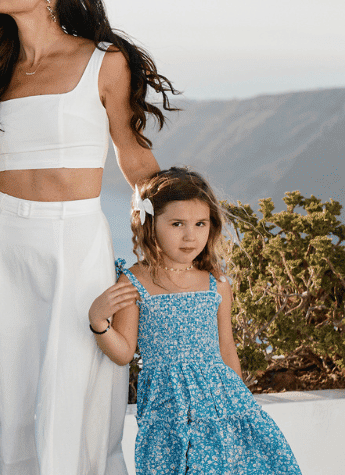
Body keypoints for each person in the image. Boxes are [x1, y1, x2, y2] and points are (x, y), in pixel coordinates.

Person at [0, 0, 179, 474]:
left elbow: (133, 155)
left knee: (70, 390)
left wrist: (167, 242)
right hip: (5, 242)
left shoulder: (104, 61)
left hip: (75, 242)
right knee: (7, 393)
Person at [89, 167, 302, 475]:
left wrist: (240, 407)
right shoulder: (135, 281)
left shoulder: (216, 283)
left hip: (223, 406)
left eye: (200, 223)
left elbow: (227, 349)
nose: (190, 236)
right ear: (149, 224)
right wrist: (99, 321)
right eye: (177, 224)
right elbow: (123, 353)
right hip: (168, 412)